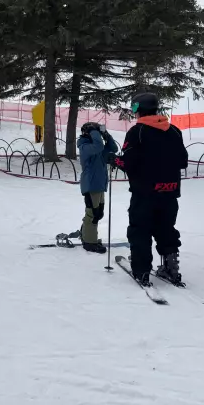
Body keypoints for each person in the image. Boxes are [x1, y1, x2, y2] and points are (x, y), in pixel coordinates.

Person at [114, 93, 188, 287]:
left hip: (145, 193)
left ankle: (142, 271)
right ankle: (171, 266)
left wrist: (113, 159)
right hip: (170, 192)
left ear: (138, 109)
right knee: (166, 229)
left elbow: (128, 162)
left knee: (140, 230)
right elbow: (183, 161)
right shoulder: (174, 130)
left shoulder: (137, 132)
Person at [77, 122, 117, 254]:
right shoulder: (84, 146)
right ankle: (89, 242)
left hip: (99, 185)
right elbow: (99, 146)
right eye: (95, 132)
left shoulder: (97, 148)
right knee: (92, 214)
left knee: (98, 214)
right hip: (91, 184)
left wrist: (106, 135)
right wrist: (94, 131)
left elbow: (113, 148)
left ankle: (87, 235)